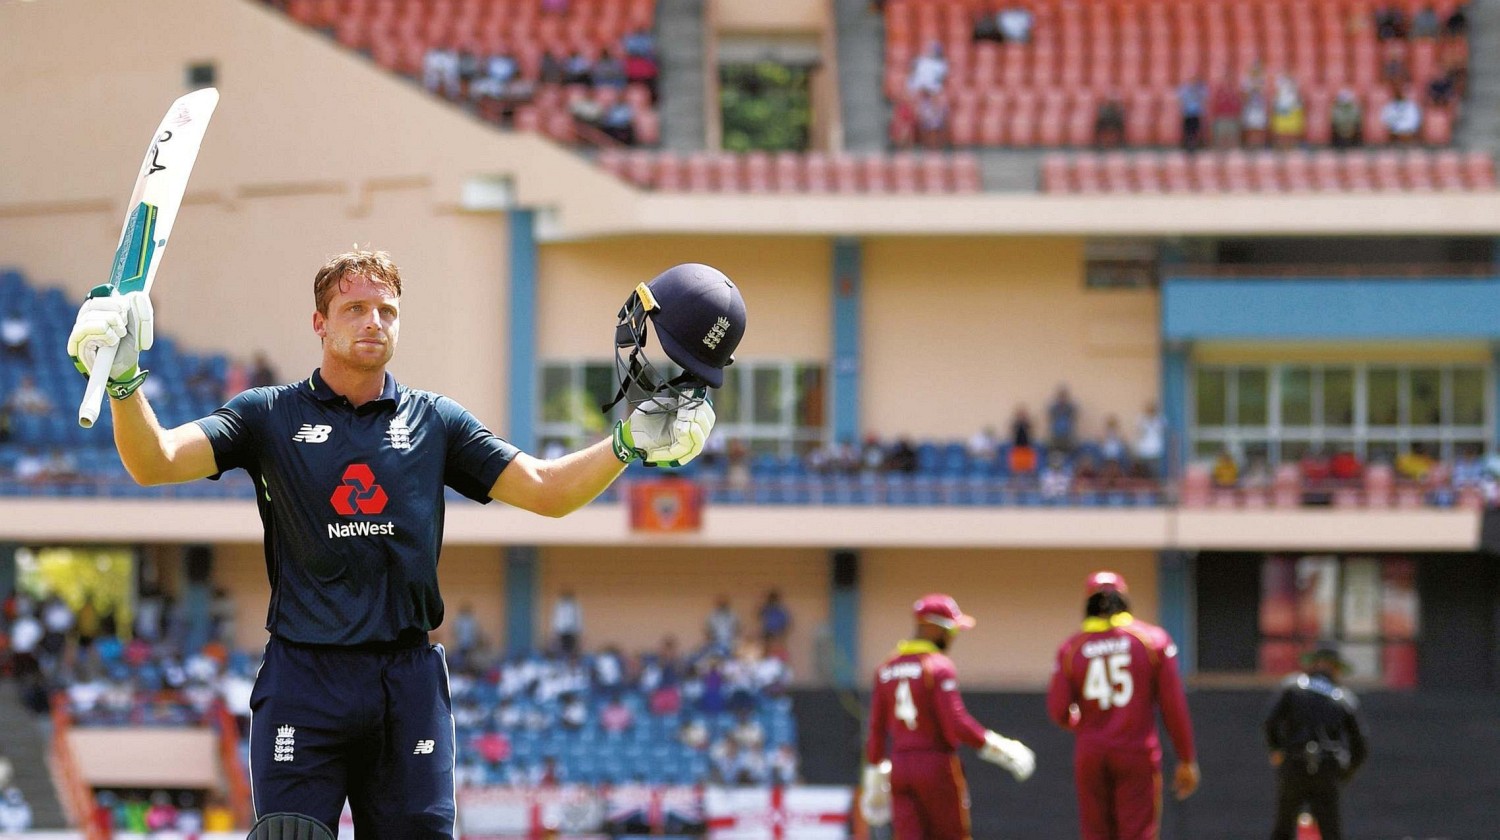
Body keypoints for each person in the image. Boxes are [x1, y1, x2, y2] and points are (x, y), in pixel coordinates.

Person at [65, 252, 742, 838]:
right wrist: (123, 383)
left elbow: (547, 490)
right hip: (304, 680)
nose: (373, 322)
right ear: (319, 322)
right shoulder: (267, 414)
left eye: (386, 310)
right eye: (354, 309)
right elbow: (154, 461)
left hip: (407, 681)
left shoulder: (436, 421)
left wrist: (626, 443)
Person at [861, 594, 1035, 839]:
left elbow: (876, 729)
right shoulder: (937, 666)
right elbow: (956, 723)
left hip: (899, 768)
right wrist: (1001, 749)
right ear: (931, 627)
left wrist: (874, 775)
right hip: (936, 765)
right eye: (950, 630)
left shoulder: (885, 668)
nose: (952, 636)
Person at [1047, 571, 1199, 840]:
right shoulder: (1152, 641)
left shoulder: (1071, 648)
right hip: (1136, 752)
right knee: (1138, 833)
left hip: (1091, 753)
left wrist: (1083, 725)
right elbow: (1172, 706)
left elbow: (1059, 710)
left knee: (1096, 834)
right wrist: (1186, 758)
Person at [1265, 646, 1367, 840]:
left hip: (1293, 764)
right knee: (1330, 831)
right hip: (1327, 769)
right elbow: (1360, 744)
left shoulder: (1292, 688)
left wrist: (1276, 750)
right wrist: (1345, 772)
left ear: (1313, 664)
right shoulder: (1343, 698)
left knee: (1283, 829)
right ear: (1335, 668)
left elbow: (1270, 723)